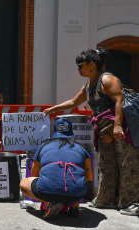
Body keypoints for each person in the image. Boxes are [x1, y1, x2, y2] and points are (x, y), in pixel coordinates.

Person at [44, 47, 139, 216]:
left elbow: (119, 100)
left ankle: (131, 203)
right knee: (106, 165)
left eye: (80, 66)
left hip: (122, 130)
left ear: (92, 65)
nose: (78, 69)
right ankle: (106, 200)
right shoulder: (89, 85)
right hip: (104, 131)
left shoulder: (107, 79)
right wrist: (54, 108)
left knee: (128, 165)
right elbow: (74, 102)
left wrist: (117, 125)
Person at [20, 118, 94, 220]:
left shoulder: (43, 146)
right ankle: (74, 205)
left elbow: (34, 175)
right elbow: (90, 177)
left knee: (23, 184)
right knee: (75, 184)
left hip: (47, 192)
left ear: (54, 130)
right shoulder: (81, 149)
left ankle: (51, 202)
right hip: (77, 193)